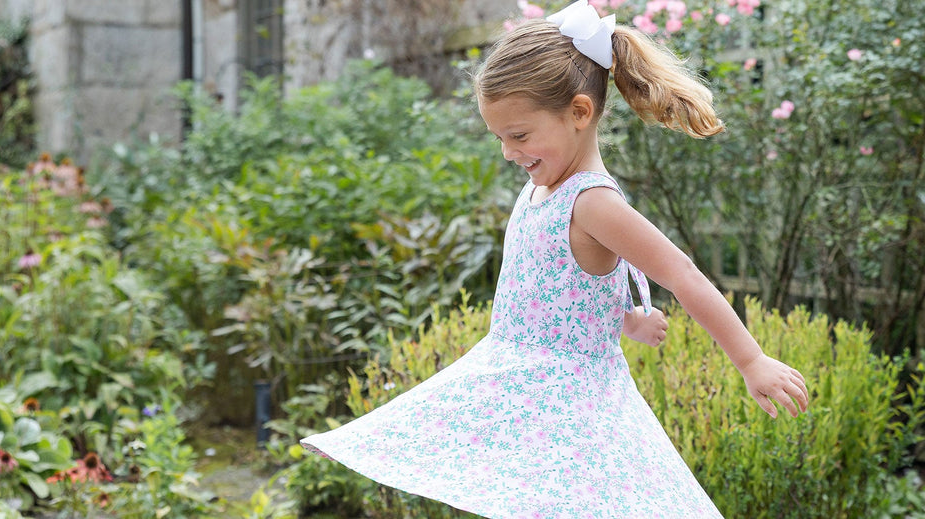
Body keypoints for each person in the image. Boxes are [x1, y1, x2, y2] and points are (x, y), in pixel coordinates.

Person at [299, 1, 810, 517]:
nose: (507, 152)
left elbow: (681, 273)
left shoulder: (593, 202)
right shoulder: (540, 189)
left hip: (574, 402)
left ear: (580, 113)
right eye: (500, 137)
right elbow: (577, 282)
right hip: (519, 377)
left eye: (519, 135)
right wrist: (625, 317)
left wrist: (751, 360)